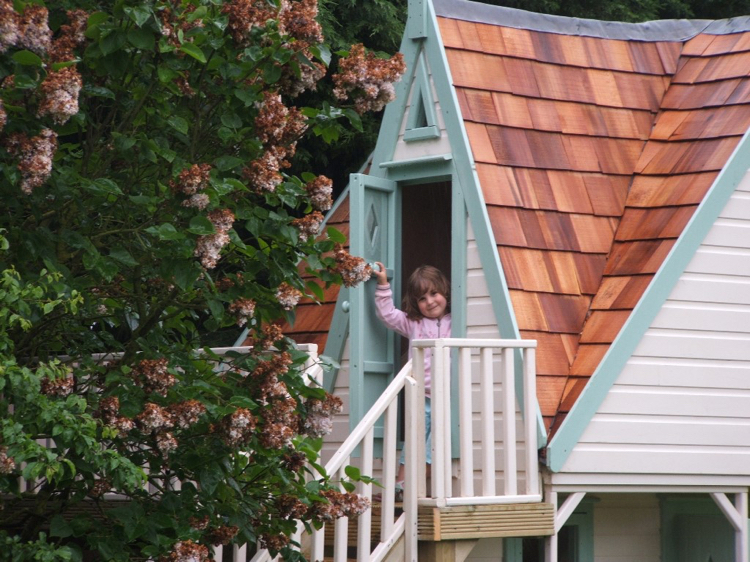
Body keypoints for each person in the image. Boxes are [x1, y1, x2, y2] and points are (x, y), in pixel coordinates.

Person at [373, 262, 451, 499]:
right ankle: (400, 483)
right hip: (421, 394)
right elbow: (387, 314)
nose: (430, 302)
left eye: (434, 294)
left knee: (432, 443)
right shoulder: (414, 323)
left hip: (447, 396)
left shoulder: (457, 322)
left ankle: (410, 482)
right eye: (422, 298)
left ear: (445, 292)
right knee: (413, 438)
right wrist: (383, 284)